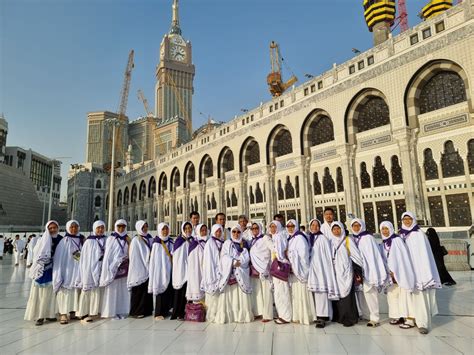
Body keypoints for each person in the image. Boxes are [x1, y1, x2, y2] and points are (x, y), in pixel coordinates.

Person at [400, 212, 441, 334]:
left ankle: (423, 323)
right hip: (407, 271)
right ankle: (410, 319)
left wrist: (424, 273)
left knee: (420, 297)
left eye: (409, 219)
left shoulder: (419, 234)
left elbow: (424, 255)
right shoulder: (401, 234)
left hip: (419, 272)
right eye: (404, 219)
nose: (407, 221)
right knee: (407, 296)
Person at [350, 218, 389, 327]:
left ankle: (374, 318)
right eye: (354, 226)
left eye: (358, 226)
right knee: (362, 294)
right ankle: (366, 314)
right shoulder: (354, 238)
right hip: (359, 271)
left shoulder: (368, 238)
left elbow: (373, 256)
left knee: (370, 294)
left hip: (369, 270)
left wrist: (372, 270)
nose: (356, 228)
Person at [24, 220, 63, 326]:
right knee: (41, 294)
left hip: (54, 269)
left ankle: (50, 314)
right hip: (42, 271)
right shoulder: (42, 240)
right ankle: (39, 316)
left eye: (55, 227)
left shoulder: (61, 239)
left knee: (51, 294)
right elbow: (37, 254)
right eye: (50, 228)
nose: (53, 230)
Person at [379, 221, 415, 327]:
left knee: (405, 295)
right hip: (389, 274)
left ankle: (409, 319)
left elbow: (403, 257)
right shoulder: (383, 243)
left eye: (387, 229)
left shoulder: (397, 240)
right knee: (392, 295)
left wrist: (396, 271)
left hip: (400, 272)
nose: (385, 231)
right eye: (383, 229)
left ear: (391, 229)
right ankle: (397, 316)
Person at [215, 225, 253, 323]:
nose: (236, 234)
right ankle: (229, 316)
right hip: (229, 274)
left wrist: (239, 261)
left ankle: (240, 316)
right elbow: (223, 256)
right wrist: (232, 261)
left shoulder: (243, 244)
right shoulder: (227, 243)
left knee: (239, 296)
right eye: (234, 232)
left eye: (238, 232)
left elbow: (246, 256)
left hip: (240, 273)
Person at [330, 221, 363, 327]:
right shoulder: (331, 241)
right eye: (334, 229)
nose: (336, 231)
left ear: (342, 229)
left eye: (338, 228)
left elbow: (356, 256)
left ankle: (350, 318)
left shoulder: (348, 240)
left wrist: (357, 270)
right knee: (338, 295)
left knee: (348, 295)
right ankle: (340, 316)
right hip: (336, 272)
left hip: (346, 271)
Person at [307, 219, 339, 328]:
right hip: (312, 269)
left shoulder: (323, 238)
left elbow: (327, 256)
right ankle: (319, 314)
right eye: (312, 225)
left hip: (321, 269)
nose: (314, 227)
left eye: (316, 225)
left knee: (321, 292)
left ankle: (322, 317)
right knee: (316, 292)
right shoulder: (309, 237)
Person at [52, 220, 84, 324]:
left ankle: (73, 312)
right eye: (72, 227)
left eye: (76, 227)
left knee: (75, 291)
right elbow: (59, 258)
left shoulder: (81, 239)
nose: (74, 229)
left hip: (77, 270)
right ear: (68, 228)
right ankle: (63, 314)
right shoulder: (64, 241)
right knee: (65, 292)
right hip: (67, 271)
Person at [100, 219, 131, 319]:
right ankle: (111, 311)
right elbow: (108, 255)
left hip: (124, 267)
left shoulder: (127, 239)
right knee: (113, 290)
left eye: (123, 226)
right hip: (113, 268)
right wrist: (109, 267)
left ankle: (123, 310)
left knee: (123, 290)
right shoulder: (111, 239)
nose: (121, 228)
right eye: (119, 226)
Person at [286, 219, 315, 325]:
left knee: (302, 293)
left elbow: (304, 255)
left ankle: (305, 316)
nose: (290, 228)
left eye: (292, 226)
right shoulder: (291, 238)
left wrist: (290, 255)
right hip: (294, 270)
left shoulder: (300, 238)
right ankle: (297, 316)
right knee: (295, 294)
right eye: (288, 226)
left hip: (300, 270)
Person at [78, 220, 107, 322]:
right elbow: (84, 259)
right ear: (94, 229)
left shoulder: (106, 239)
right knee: (88, 290)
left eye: (102, 228)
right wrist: (86, 271)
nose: (100, 230)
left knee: (99, 290)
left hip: (101, 268)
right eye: (98, 228)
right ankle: (83, 312)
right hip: (90, 269)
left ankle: (95, 311)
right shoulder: (89, 241)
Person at [127, 220, 154, 318]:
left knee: (146, 291)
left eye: (146, 227)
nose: (145, 229)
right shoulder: (135, 240)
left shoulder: (149, 238)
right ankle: (136, 311)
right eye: (143, 227)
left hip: (147, 267)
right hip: (138, 268)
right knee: (138, 291)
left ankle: (146, 310)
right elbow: (134, 256)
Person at [149, 222, 174, 320]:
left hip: (169, 268)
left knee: (167, 290)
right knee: (160, 290)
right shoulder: (157, 243)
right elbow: (155, 259)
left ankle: (166, 310)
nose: (165, 231)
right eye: (163, 229)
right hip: (160, 269)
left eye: (166, 229)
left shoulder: (171, 241)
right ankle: (158, 312)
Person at [249, 222, 273, 322]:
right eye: (253, 228)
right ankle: (259, 312)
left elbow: (272, 249)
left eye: (256, 228)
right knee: (257, 291)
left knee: (266, 292)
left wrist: (267, 263)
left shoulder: (265, 238)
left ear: (260, 228)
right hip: (255, 269)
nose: (254, 230)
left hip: (264, 269)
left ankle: (267, 315)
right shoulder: (251, 241)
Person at [269, 220, 292, 324]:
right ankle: (282, 314)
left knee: (282, 292)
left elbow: (280, 253)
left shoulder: (279, 237)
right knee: (279, 292)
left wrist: (279, 262)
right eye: (271, 227)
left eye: (274, 226)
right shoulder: (276, 237)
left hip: (280, 266)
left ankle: (285, 316)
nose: (272, 229)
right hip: (278, 266)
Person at [201, 224, 225, 322]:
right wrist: (211, 274)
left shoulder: (222, 242)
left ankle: (217, 314)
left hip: (221, 272)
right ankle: (210, 315)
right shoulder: (210, 243)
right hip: (212, 272)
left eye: (220, 231)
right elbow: (208, 261)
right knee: (212, 296)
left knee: (219, 297)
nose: (218, 233)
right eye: (217, 231)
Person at [171, 221, 193, 319]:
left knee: (187, 293)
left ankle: (186, 312)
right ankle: (178, 313)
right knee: (180, 292)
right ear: (183, 230)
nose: (188, 230)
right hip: (181, 270)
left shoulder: (192, 240)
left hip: (190, 270)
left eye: (189, 228)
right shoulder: (179, 241)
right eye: (186, 229)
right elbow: (177, 258)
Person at [186, 224, 208, 303]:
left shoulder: (208, 241)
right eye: (202, 230)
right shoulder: (195, 243)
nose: (204, 232)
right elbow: (192, 262)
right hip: (197, 271)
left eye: (205, 230)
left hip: (206, 270)